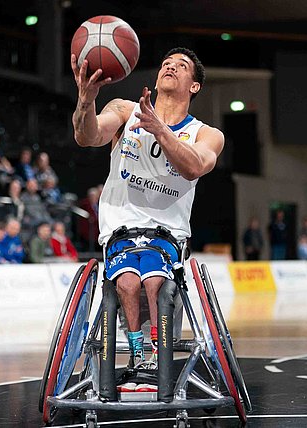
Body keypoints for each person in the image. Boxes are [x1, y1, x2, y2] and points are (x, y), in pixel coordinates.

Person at [71, 46, 223, 374]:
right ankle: (138, 351)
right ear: (156, 77)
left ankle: (156, 353)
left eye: (181, 66)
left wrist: (161, 130)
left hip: (167, 235)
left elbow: (194, 166)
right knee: (126, 282)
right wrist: (86, 100)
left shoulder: (207, 134)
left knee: (154, 282)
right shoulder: (126, 111)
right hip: (121, 230)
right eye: (166, 63)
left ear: (193, 86)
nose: (170, 67)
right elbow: (88, 135)